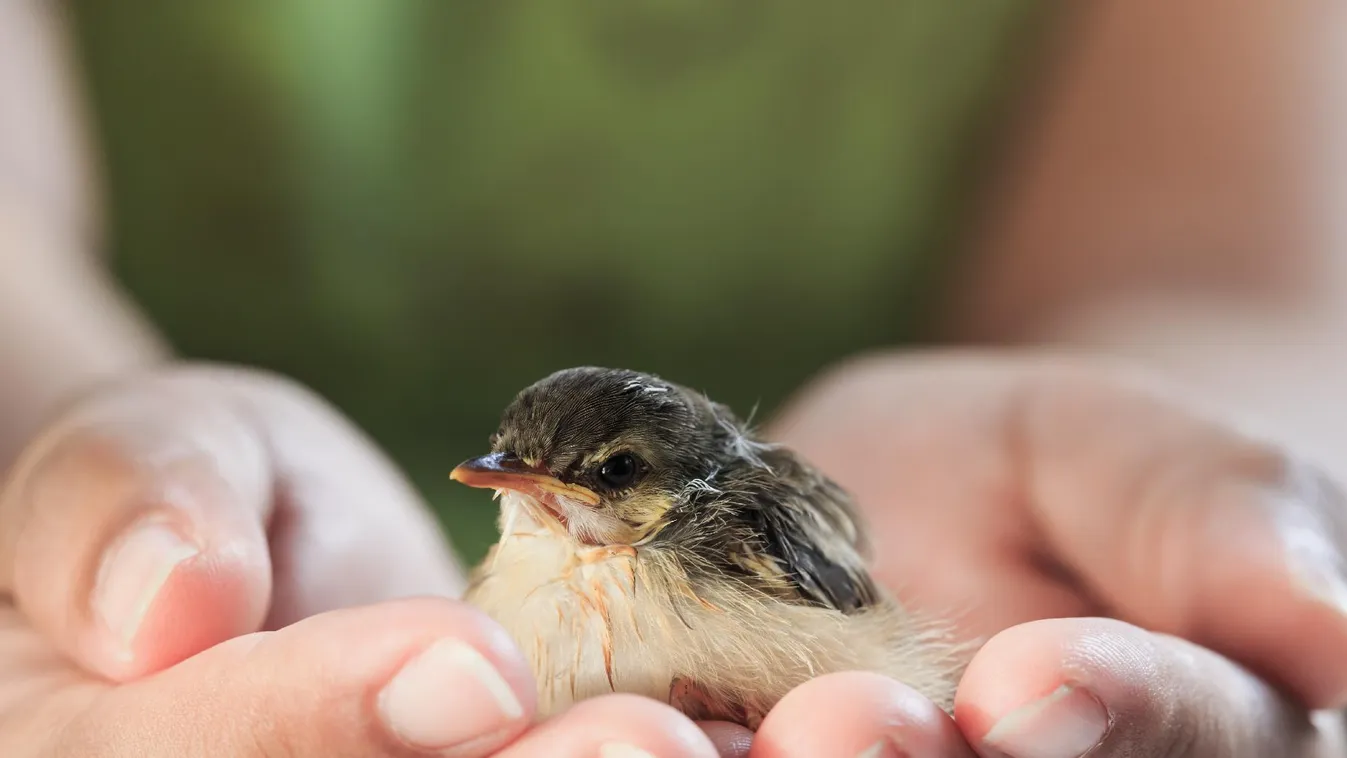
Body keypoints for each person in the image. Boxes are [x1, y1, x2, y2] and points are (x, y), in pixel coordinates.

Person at [4, 2, 1347, 756]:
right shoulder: (511, 563)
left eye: (597, 479)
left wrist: (1139, 474)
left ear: (663, 484)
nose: (531, 494)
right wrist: (59, 438)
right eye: (519, 466)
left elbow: (1223, 265)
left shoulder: (731, 525)